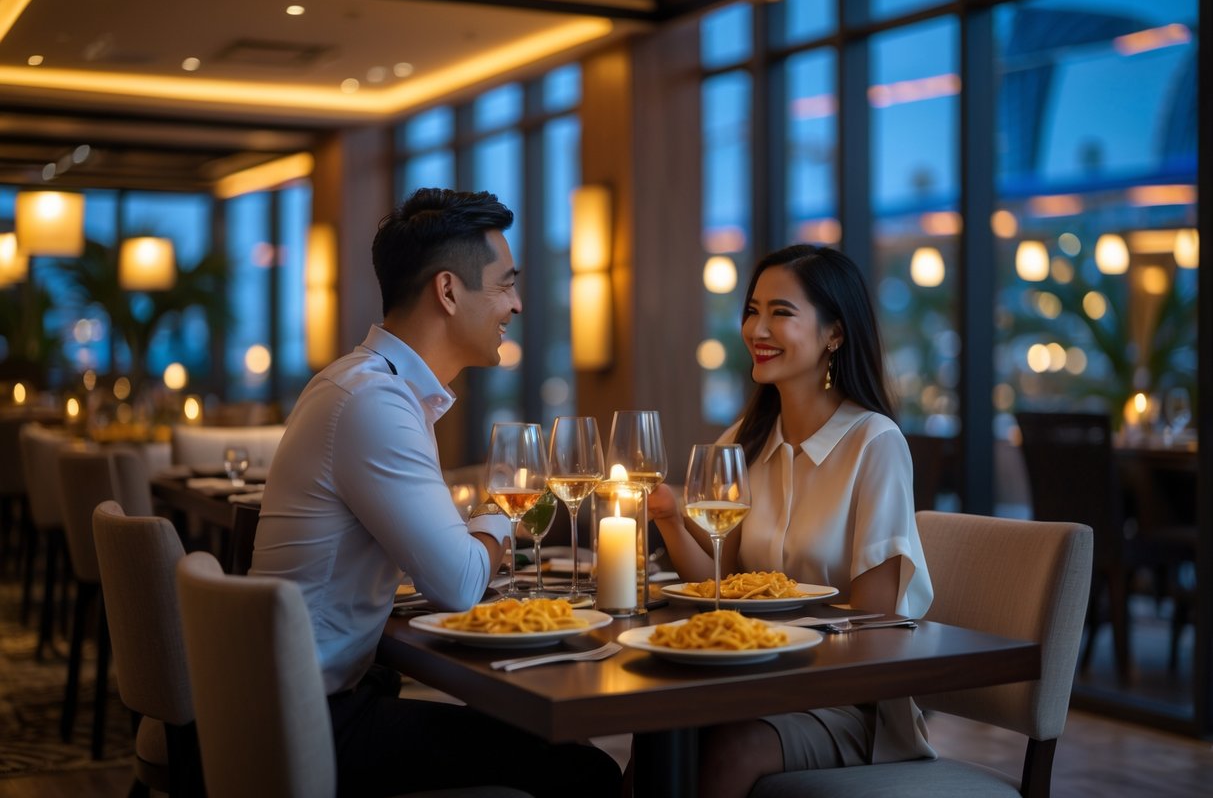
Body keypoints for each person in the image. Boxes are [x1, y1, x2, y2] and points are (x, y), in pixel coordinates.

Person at [252, 188, 622, 798]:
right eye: (505, 285)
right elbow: (459, 584)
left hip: (297, 699)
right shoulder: (375, 402)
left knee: (542, 743)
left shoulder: (363, 384)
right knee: (584, 772)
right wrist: (501, 506)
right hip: (306, 725)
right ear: (448, 291)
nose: (517, 304)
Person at [648, 243, 934, 798]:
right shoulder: (743, 440)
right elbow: (715, 582)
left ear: (834, 333)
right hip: (748, 681)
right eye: (752, 310)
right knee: (657, 733)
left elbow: (874, 622)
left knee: (730, 748)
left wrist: (759, 648)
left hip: (844, 702)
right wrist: (669, 520)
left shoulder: (874, 444)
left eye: (781, 312)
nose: (757, 329)